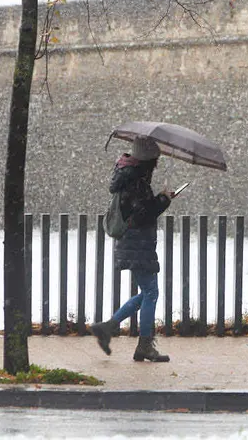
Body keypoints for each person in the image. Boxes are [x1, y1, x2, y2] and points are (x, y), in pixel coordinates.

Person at [91, 137, 173, 362]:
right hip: (137, 242)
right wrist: (163, 200)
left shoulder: (129, 176)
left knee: (147, 292)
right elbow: (142, 214)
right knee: (151, 292)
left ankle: (107, 328)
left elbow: (138, 211)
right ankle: (144, 345)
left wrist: (159, 199)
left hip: (134, 242)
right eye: (155, 160)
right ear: (148, 160)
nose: (156, 164)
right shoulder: (136, 181)